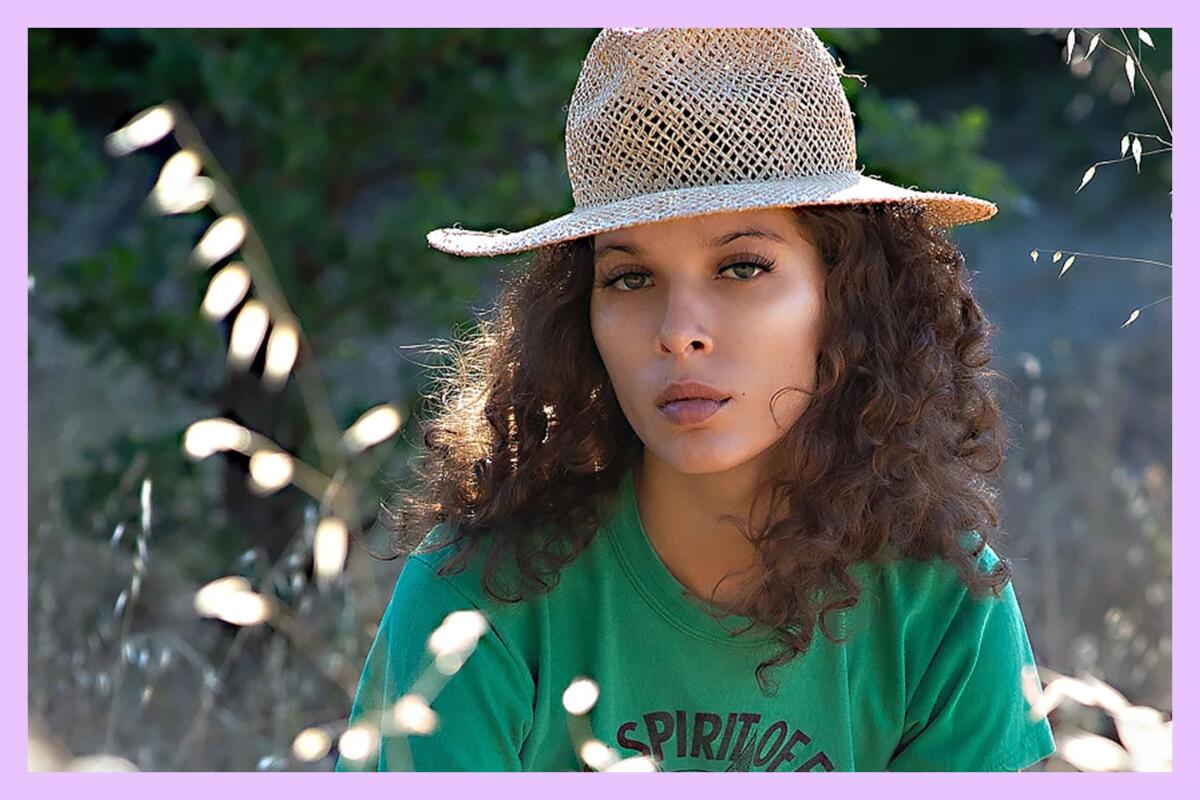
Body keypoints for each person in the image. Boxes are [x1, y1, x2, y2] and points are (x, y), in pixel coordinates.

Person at [334, 27, 1057, 772]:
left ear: (845, 299)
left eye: (742, 267)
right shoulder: (477, 599)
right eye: (630, 279)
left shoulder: (939, 605)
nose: (679, 334)